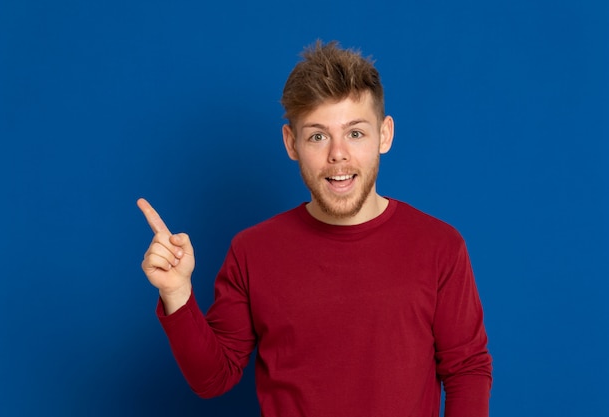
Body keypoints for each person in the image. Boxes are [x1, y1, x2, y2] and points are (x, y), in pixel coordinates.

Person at [138, 40, 492, 416]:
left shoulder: (439, 246)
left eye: (355, 133)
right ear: (292, 143)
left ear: (384, 135)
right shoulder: (252, 251)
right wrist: (177, 294)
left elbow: (466, 369)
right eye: (318, 136)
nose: (338, 154)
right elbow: (213, 378)